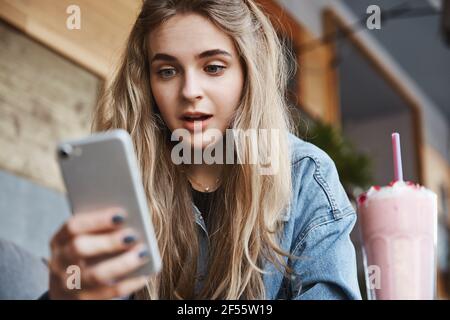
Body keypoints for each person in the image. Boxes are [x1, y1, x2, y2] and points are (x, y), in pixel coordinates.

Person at [46, 0, 361, 300]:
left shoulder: (306, 176)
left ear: (247, 74)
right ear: (147, 83)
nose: (189, 92)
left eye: (213, 67)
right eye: (167, 71)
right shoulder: (127, 181)